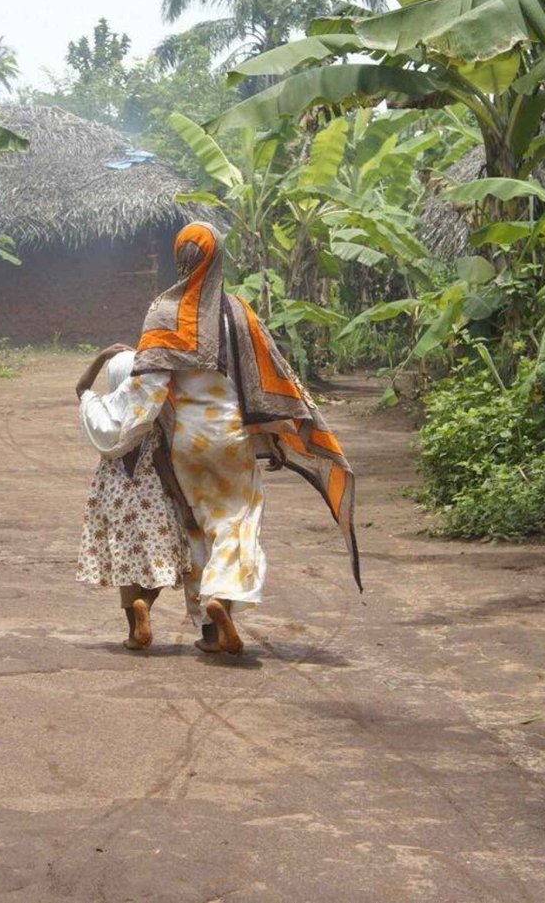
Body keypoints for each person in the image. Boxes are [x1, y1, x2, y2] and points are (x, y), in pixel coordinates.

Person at [79, 222, 360, 656]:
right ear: (219, 258)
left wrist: (109, 422)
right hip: (231, 437)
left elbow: (147, 391)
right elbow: (265, 380)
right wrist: (276, 437)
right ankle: (220, 600)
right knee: (237, 523)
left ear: (181, 259)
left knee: (197, 526)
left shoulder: (163, 312)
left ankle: (208, 630)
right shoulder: (239, 313)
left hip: (186, 442)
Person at [74, 344, 202, 650]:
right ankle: (146, 602)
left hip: (112, 496)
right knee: (164, 562)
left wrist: (101, 356)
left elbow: (81, 387)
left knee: (124, 563)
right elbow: (161, 461)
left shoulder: (98, 412)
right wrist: (182, 502)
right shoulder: (148, 416)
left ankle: (134, 633)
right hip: (150, 495)